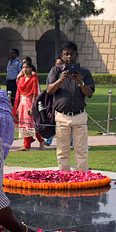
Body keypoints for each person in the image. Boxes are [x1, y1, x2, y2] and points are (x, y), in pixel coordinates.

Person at [45, 42, 95, 172]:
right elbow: (49, 90)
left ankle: (82, 177)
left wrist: (80, 82)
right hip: (62, 116)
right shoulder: (55, 71)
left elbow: (89, 93)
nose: (69, 56)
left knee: (81, 149)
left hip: (79, 115)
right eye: (66, 54)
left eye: (71, 54)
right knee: (62, 150)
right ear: (61, 56)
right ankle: (64, 176)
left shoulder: (84, 72)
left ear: (76, 55)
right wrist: (60, 80)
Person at [13, 58, 44, 150]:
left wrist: (32, 106)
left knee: (30, 124)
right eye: (23, 67)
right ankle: (26, 145)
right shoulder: (21, 78)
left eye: (26, 67)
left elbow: (35, 93)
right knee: (23, 123)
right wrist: (18, 77)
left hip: (29, 102)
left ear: (31, 68)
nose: (24, 69)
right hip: (22, 102)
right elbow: (19, 88)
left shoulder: (33, 78)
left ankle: (41, 140)